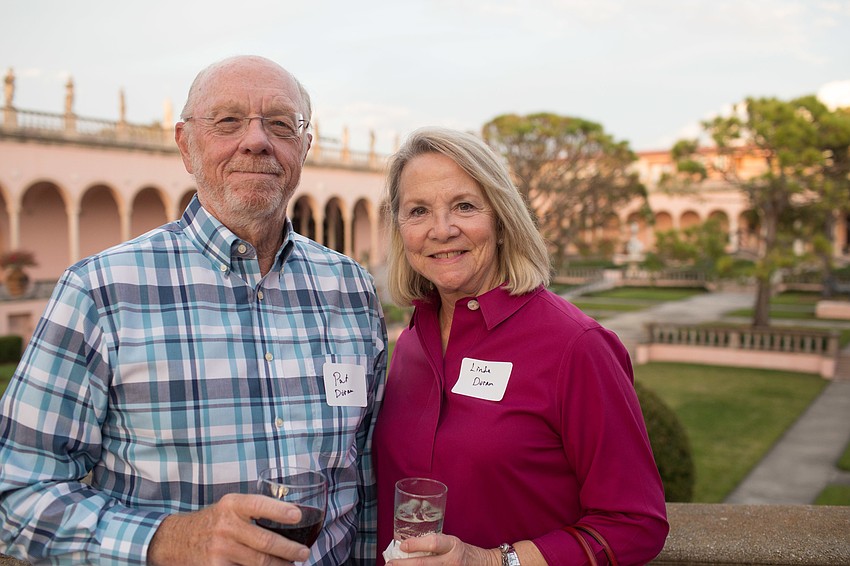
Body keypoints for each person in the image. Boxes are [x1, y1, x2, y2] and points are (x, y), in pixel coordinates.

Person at [0, 55, 386, 565]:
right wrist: (167, 541)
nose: (256, 140)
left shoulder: (351, 290)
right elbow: (16, 493)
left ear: (305, 146)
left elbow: (363, 478)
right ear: (185, 145)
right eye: (228, 121)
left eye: (280, 124)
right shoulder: (100, 292)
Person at [373, 127, 668, 565]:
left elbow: (635, 524)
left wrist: (491, 562)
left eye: (464, 206)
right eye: (418, 211)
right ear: (401, 229)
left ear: (501, 218)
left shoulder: (577, 346)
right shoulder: (415, 337)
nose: (442, 229)